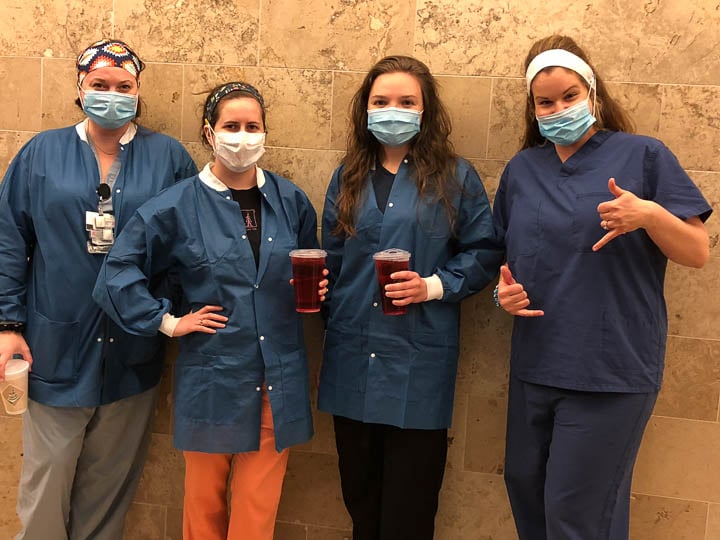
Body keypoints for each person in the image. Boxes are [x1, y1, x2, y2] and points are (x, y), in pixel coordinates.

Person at [493, 35, 712, 540]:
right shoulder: (523, 170)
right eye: (545, 102)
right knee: (527, 494)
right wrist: (502, 295)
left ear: (593, 92)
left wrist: (649, 214)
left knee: (574, 517)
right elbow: (504, 255)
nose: (559, 109)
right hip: (536, 366)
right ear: (532, 108)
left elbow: (697, 252)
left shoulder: (643, 156)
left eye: (570, 96)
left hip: (610, 371)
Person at [92, 81, 326, 540]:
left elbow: (306, 262)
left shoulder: (290, 201)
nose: (243, 136)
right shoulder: (175, 206)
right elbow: (117, 272)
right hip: (213, 376)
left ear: (265, 132)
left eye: (253, 126)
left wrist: (317, 285)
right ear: (208, 132)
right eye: (231, 126)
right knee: (203, 510)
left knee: (258, 510)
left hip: (277, 377)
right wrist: (168, 322)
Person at [0, 39, 198, 539]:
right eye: (100, 84)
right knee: (45, 485)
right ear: (80, 87)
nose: (112, 95)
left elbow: (189, 246)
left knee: (108, 492)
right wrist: (7, 324)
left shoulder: (168, 158)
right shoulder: (41, 153)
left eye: (124, 87)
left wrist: (164, 314)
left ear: (138, 91)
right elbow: (8, 241)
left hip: (133, 350)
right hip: (54, 347)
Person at [317, 55, 502, 540]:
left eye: (406, 101)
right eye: (381, 101)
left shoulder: (456, 178)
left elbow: (484, 252)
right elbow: (333, 259)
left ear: (426, 109)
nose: (392, 110)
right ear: (365, 109)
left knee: (410, 511)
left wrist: (432, 286)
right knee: (360, 502)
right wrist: (322, 294)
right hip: (353, 359)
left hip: (418, 364)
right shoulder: (347, 176)